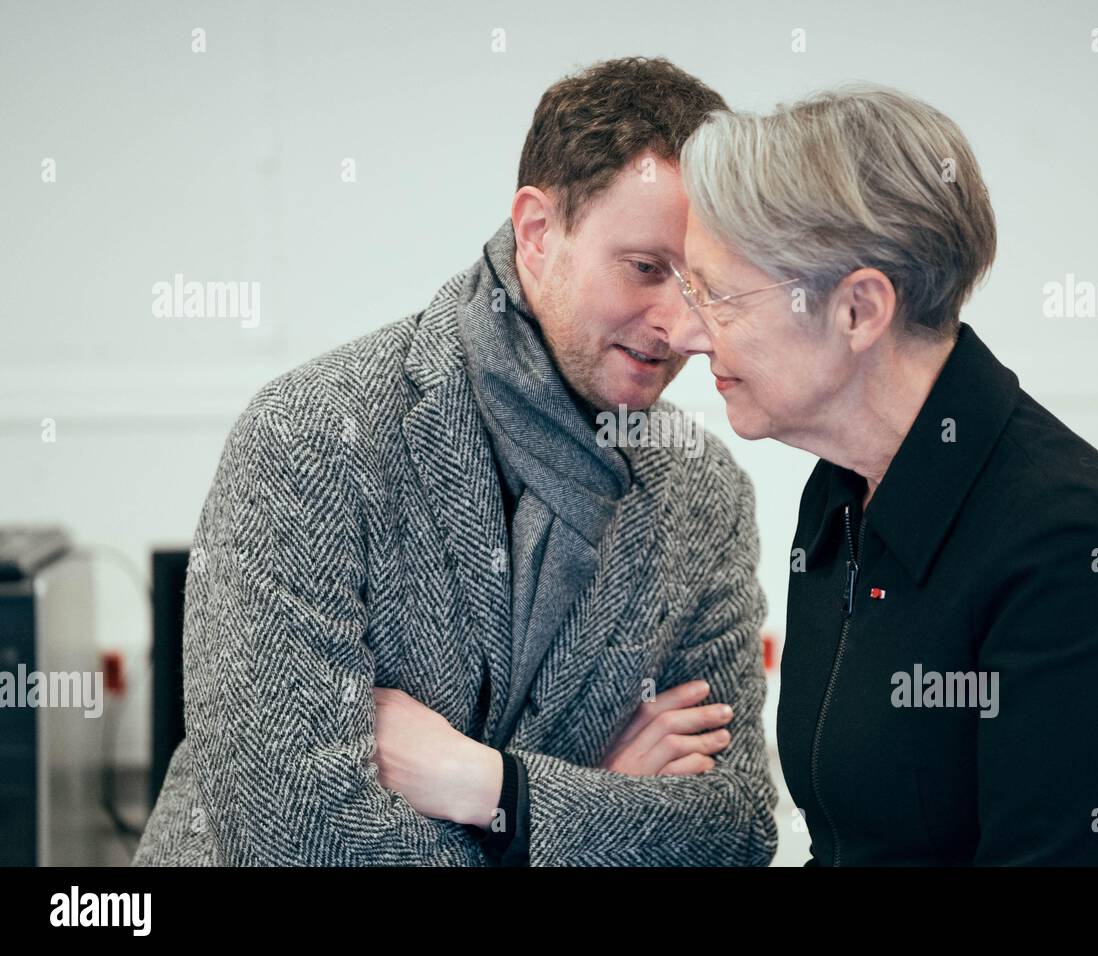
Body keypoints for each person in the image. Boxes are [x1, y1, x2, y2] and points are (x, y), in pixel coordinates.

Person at [133, 56, 779, 867]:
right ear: (539, 233)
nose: (682, 327)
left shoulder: (704, 493)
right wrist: (584, 814)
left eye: (703, 286)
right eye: (647, 270)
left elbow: (733, 831)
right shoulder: (311, 438)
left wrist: (494, 789)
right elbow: (293, 843)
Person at [666, 84, 1098, 865]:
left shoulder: (1067, 543)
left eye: (718, 296)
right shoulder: (840, 491)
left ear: (859, 310)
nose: (687, 332)